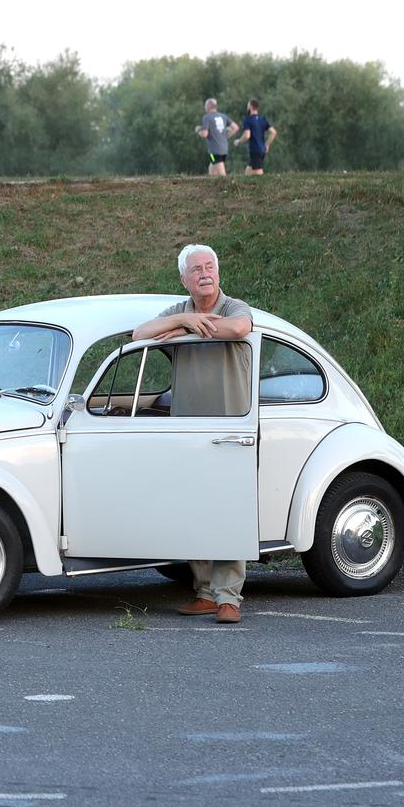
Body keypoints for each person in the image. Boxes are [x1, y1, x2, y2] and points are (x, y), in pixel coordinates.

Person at [132, 243, 255, 624]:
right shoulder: (179, 311)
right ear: (184, 279)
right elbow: (139, 333)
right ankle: (204, 592)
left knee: (227, 511)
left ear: (218, 272)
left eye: (209, 267)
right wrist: (185, 321)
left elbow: (240, 328)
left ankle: (228, 598)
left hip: (229, 429)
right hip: (188, 430)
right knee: (194, 509)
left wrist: (193, 328)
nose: (205, 274)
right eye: (196, 269)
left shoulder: (234, 307)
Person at [232, 98, 278, 175]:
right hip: (262, 150)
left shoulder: (248, 120)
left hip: (255, 150)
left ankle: (266, 183)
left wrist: (238, 141)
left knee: (258, 172)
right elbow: (273, 132)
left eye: (247, 105)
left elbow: (247, 136)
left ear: (250, 107)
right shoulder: (262, 119)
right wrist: (267, 145)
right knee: (248, 172)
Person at [195, 98, 239, 177]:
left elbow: (204, 134)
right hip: (224, 150)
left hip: (214, 151)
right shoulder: (223, 116)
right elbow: (235, 128)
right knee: (212, 168)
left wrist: (198, 130)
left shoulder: (207, 117)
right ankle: (212, 184)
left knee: (221, 172)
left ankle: (228, 184)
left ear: (208, 106)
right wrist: (226, 136)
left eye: (205, 106)